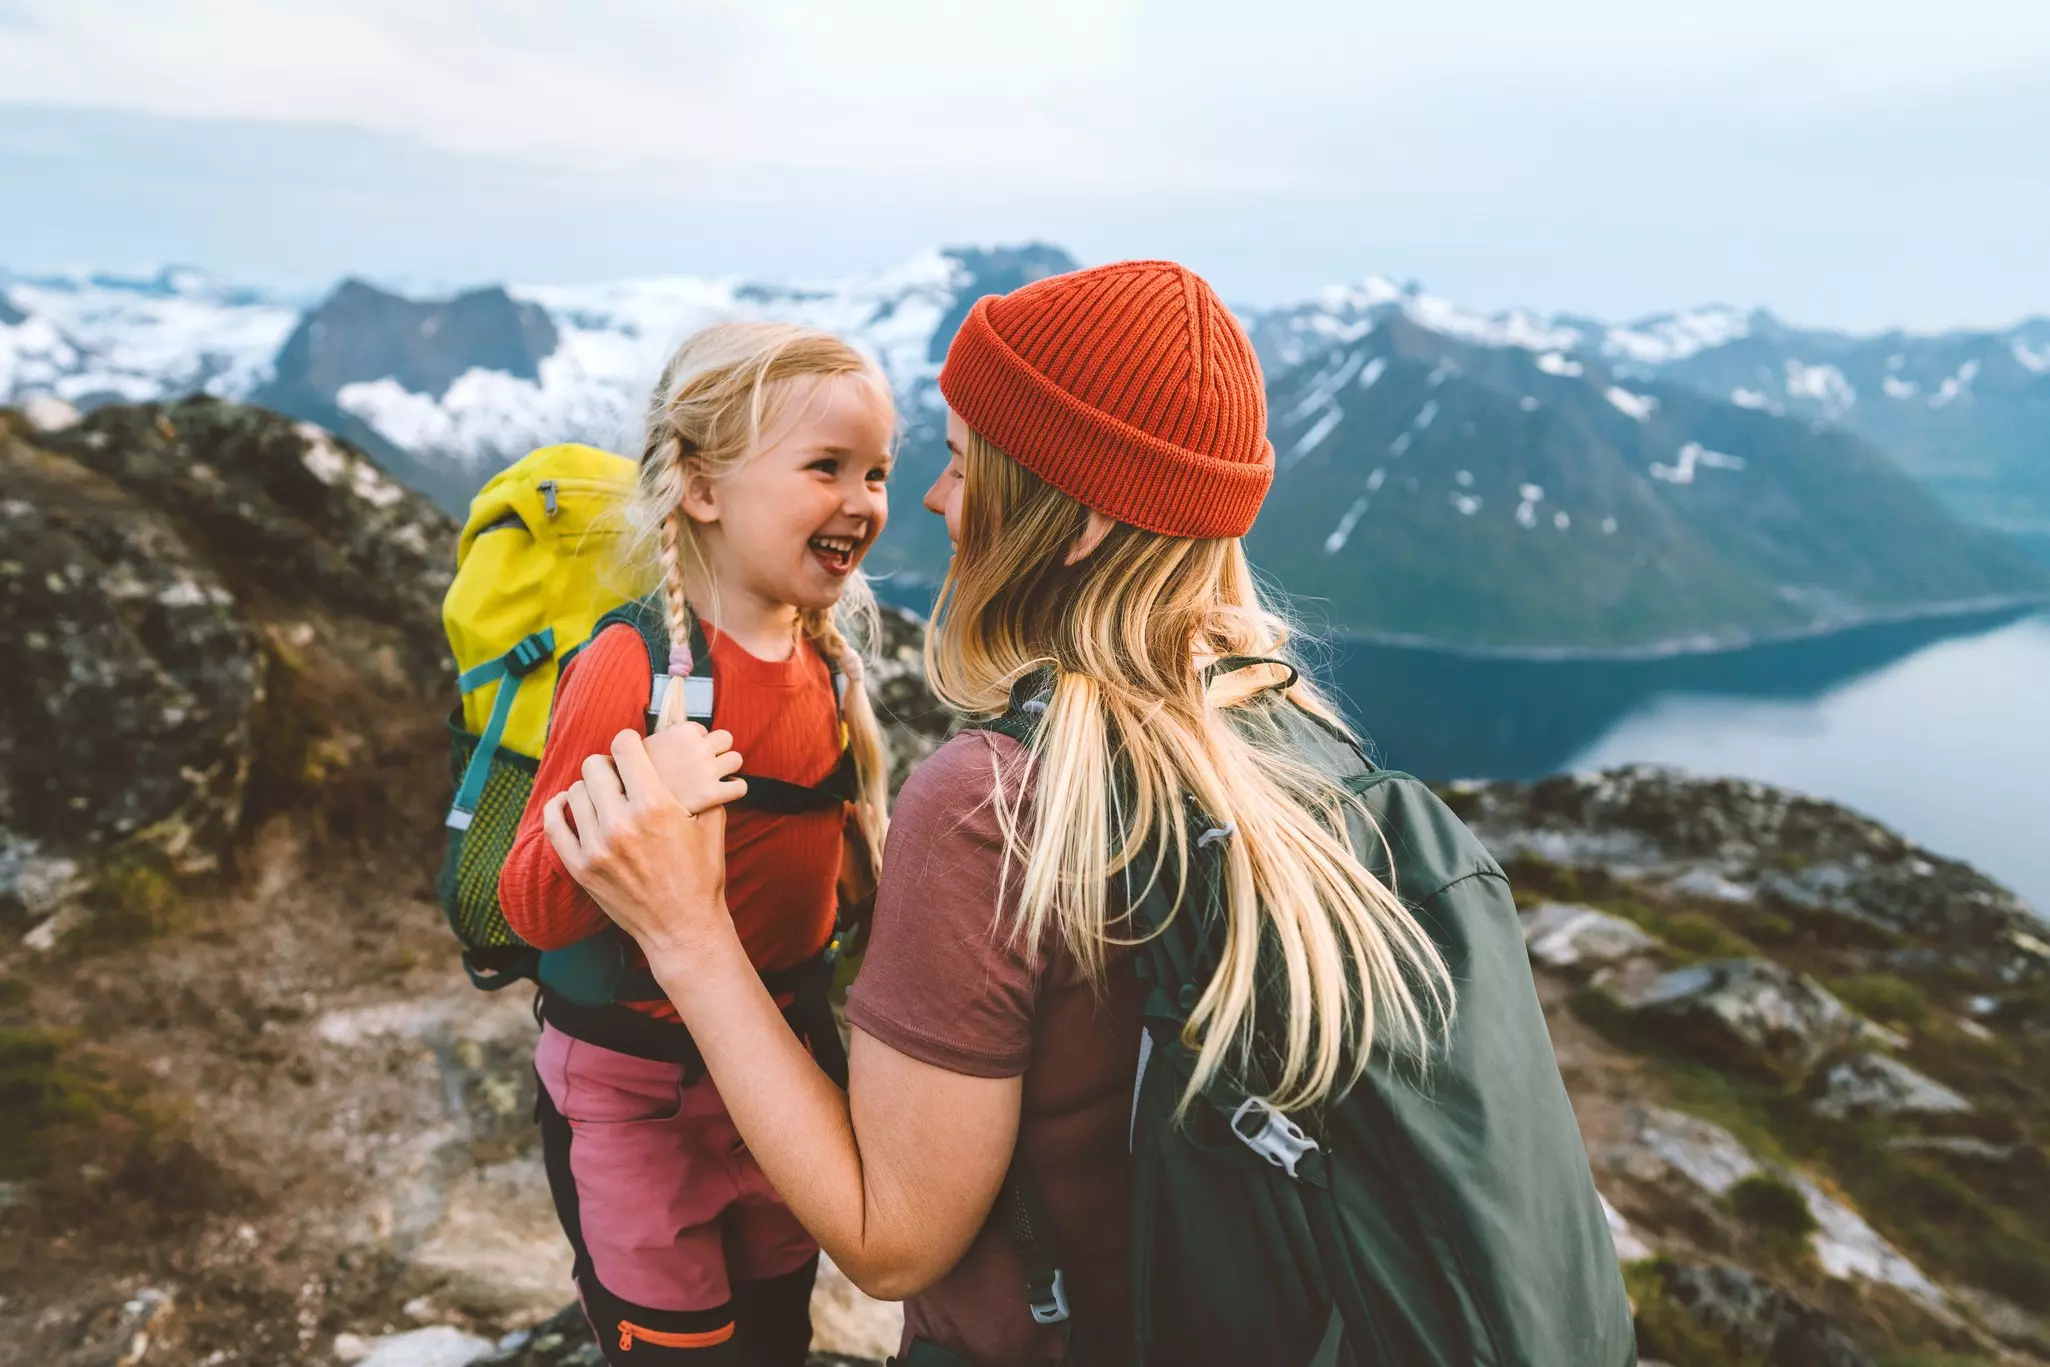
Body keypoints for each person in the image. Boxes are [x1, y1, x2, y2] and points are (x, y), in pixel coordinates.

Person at [544, 262, 1632, 1366]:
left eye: (963, 466)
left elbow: (891, 1242)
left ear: (1067, 523)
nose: (929, 498)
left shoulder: (993, 799)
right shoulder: (1286, 732)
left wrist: (685, 927)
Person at [497, 321, 895, 1366]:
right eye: (825, 467)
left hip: (779, 1076)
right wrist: (641, 804)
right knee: (676, 1348)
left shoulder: (829, 668)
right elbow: (530, 904)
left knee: (773, 1332)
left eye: (878, 473)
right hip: (639, 1096)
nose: (863, 500)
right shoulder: (632, 672)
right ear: (703, 488)